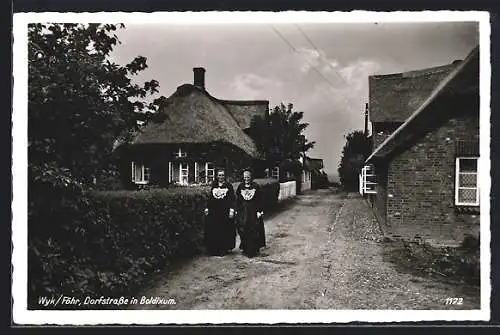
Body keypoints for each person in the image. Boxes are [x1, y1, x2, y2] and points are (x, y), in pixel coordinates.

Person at [204, 168, 236, 256]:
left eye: (222, 175)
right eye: (219, 175)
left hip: (224, 212)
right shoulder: (214, 185)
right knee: (215, 230)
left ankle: (223, 249)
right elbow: (210, 198)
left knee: (224, 230)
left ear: (224, 176)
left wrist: (232, 210)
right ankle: (215, 249)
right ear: (217, 176)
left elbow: (232, 199)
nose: (221, 177)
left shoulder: (229, 186)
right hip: (215, 211)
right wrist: (207, 208)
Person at [235, 169, 265, 258]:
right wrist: (237, 210)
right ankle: (245, 248)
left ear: (251, 177)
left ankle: (253, 250)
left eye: (248, 177)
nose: (246, 179)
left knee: (254, 229)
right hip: (243, 212)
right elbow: (238, 200)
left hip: (253, 211)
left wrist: (260, 211)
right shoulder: (240, 186)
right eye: (245, 177)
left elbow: (260, 199)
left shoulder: (256, 186)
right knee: (243, 229)